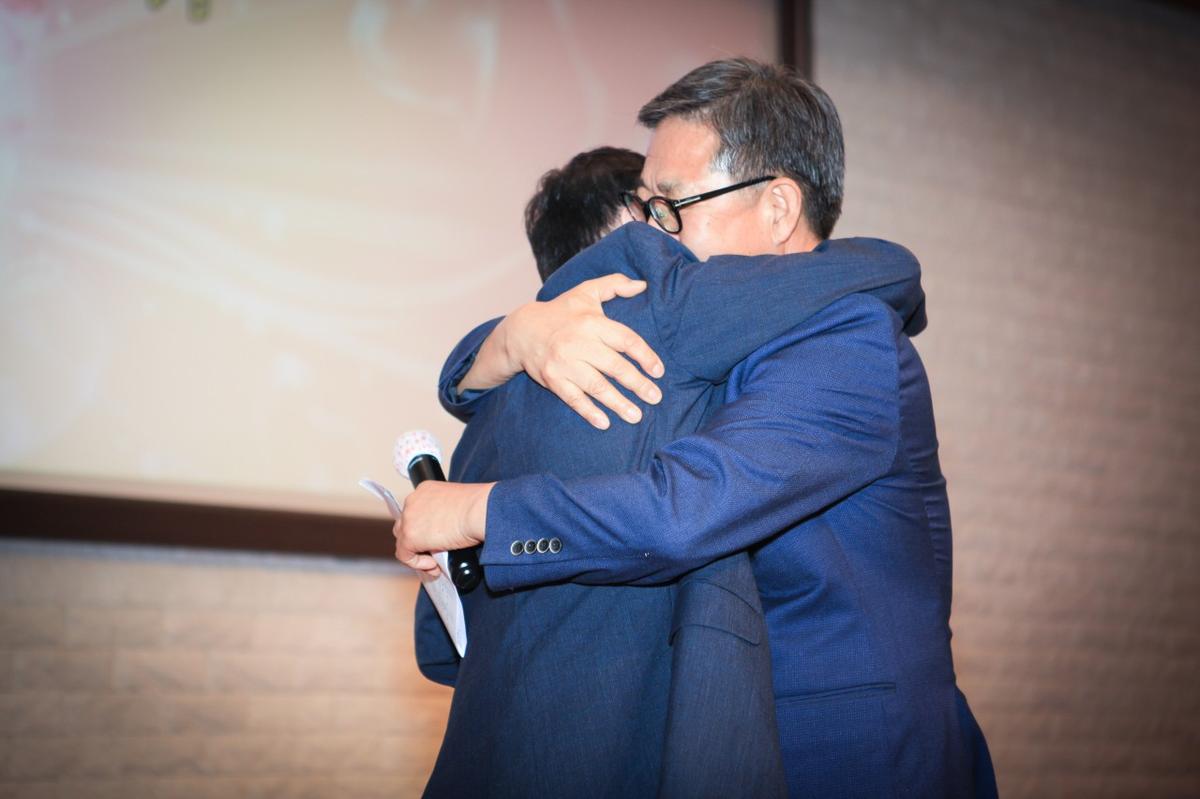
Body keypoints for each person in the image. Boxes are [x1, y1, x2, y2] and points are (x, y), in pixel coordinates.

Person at [397, 59, 996, 798]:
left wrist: (478, 511)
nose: (652, 235)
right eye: (645, 208)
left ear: (778, 209)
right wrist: (509, 339)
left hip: (845, 756)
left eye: (671, 206)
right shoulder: (715, 340)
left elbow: (683, 510)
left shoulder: (848, 341)